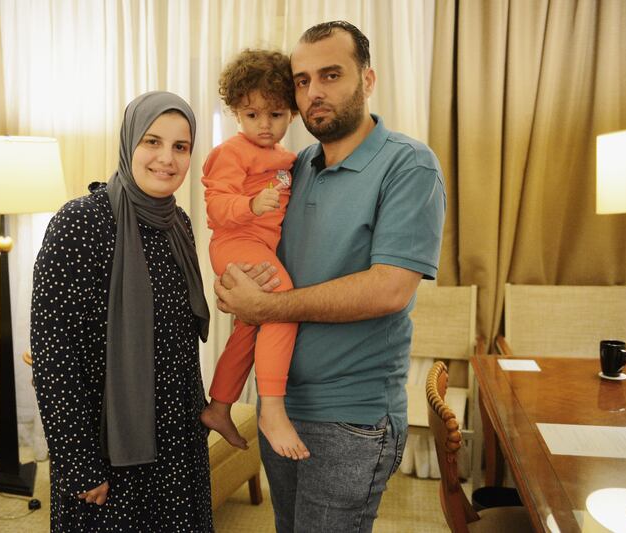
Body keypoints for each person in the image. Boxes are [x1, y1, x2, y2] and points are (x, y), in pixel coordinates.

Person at [214, 21, 446, 533]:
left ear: (368, 80)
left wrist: (267, 307)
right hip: (280, 401)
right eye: (302, 81)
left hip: (351, 418)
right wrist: (235, 284)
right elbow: (255, 247)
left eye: (331, 75)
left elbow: (390, 288)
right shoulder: (293, 168)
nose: (314, 92)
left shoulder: (409, 165)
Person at [31, 91, 213, 532]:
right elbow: (54, 355)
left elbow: (181, 345)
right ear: (129, 141)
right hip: (108, 447)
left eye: (181, 146)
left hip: (176, 443)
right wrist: (78, 463)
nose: (167, 158)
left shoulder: (179, 224)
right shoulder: (81, 222)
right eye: (152, 141)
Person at [199, 49, 309, 461]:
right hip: (235, 242)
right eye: (252, 115)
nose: (264, 125)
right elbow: (215, 206)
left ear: (292, 114)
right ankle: (273, 409)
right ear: (236, 113)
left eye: (275, 114)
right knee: (282, 306)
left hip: (258, 246)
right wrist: (250, 205)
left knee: (251, 324)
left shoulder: (286, 159)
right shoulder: (232, 152)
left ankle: (219, 405)